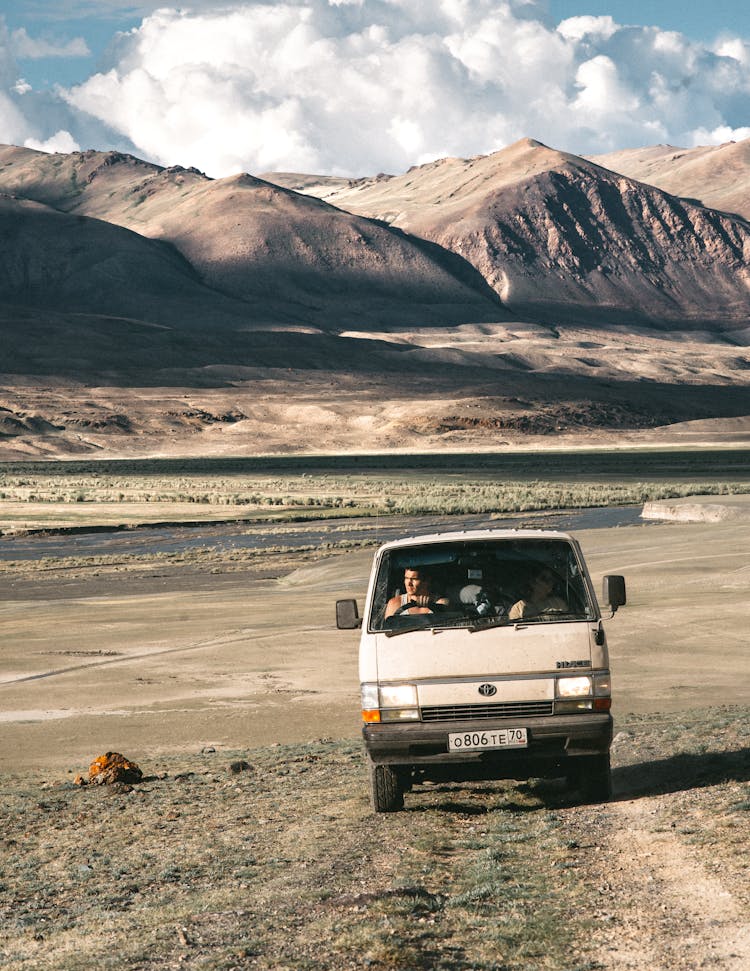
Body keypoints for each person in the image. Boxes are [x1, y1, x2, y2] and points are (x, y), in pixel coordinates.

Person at [385, 566, 449, 618]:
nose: (409, 583)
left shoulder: (441, 602)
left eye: (414, 579)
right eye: (406, 578)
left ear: (426, 581)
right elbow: (388, 630)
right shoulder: (395, 603)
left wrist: (433, 607)